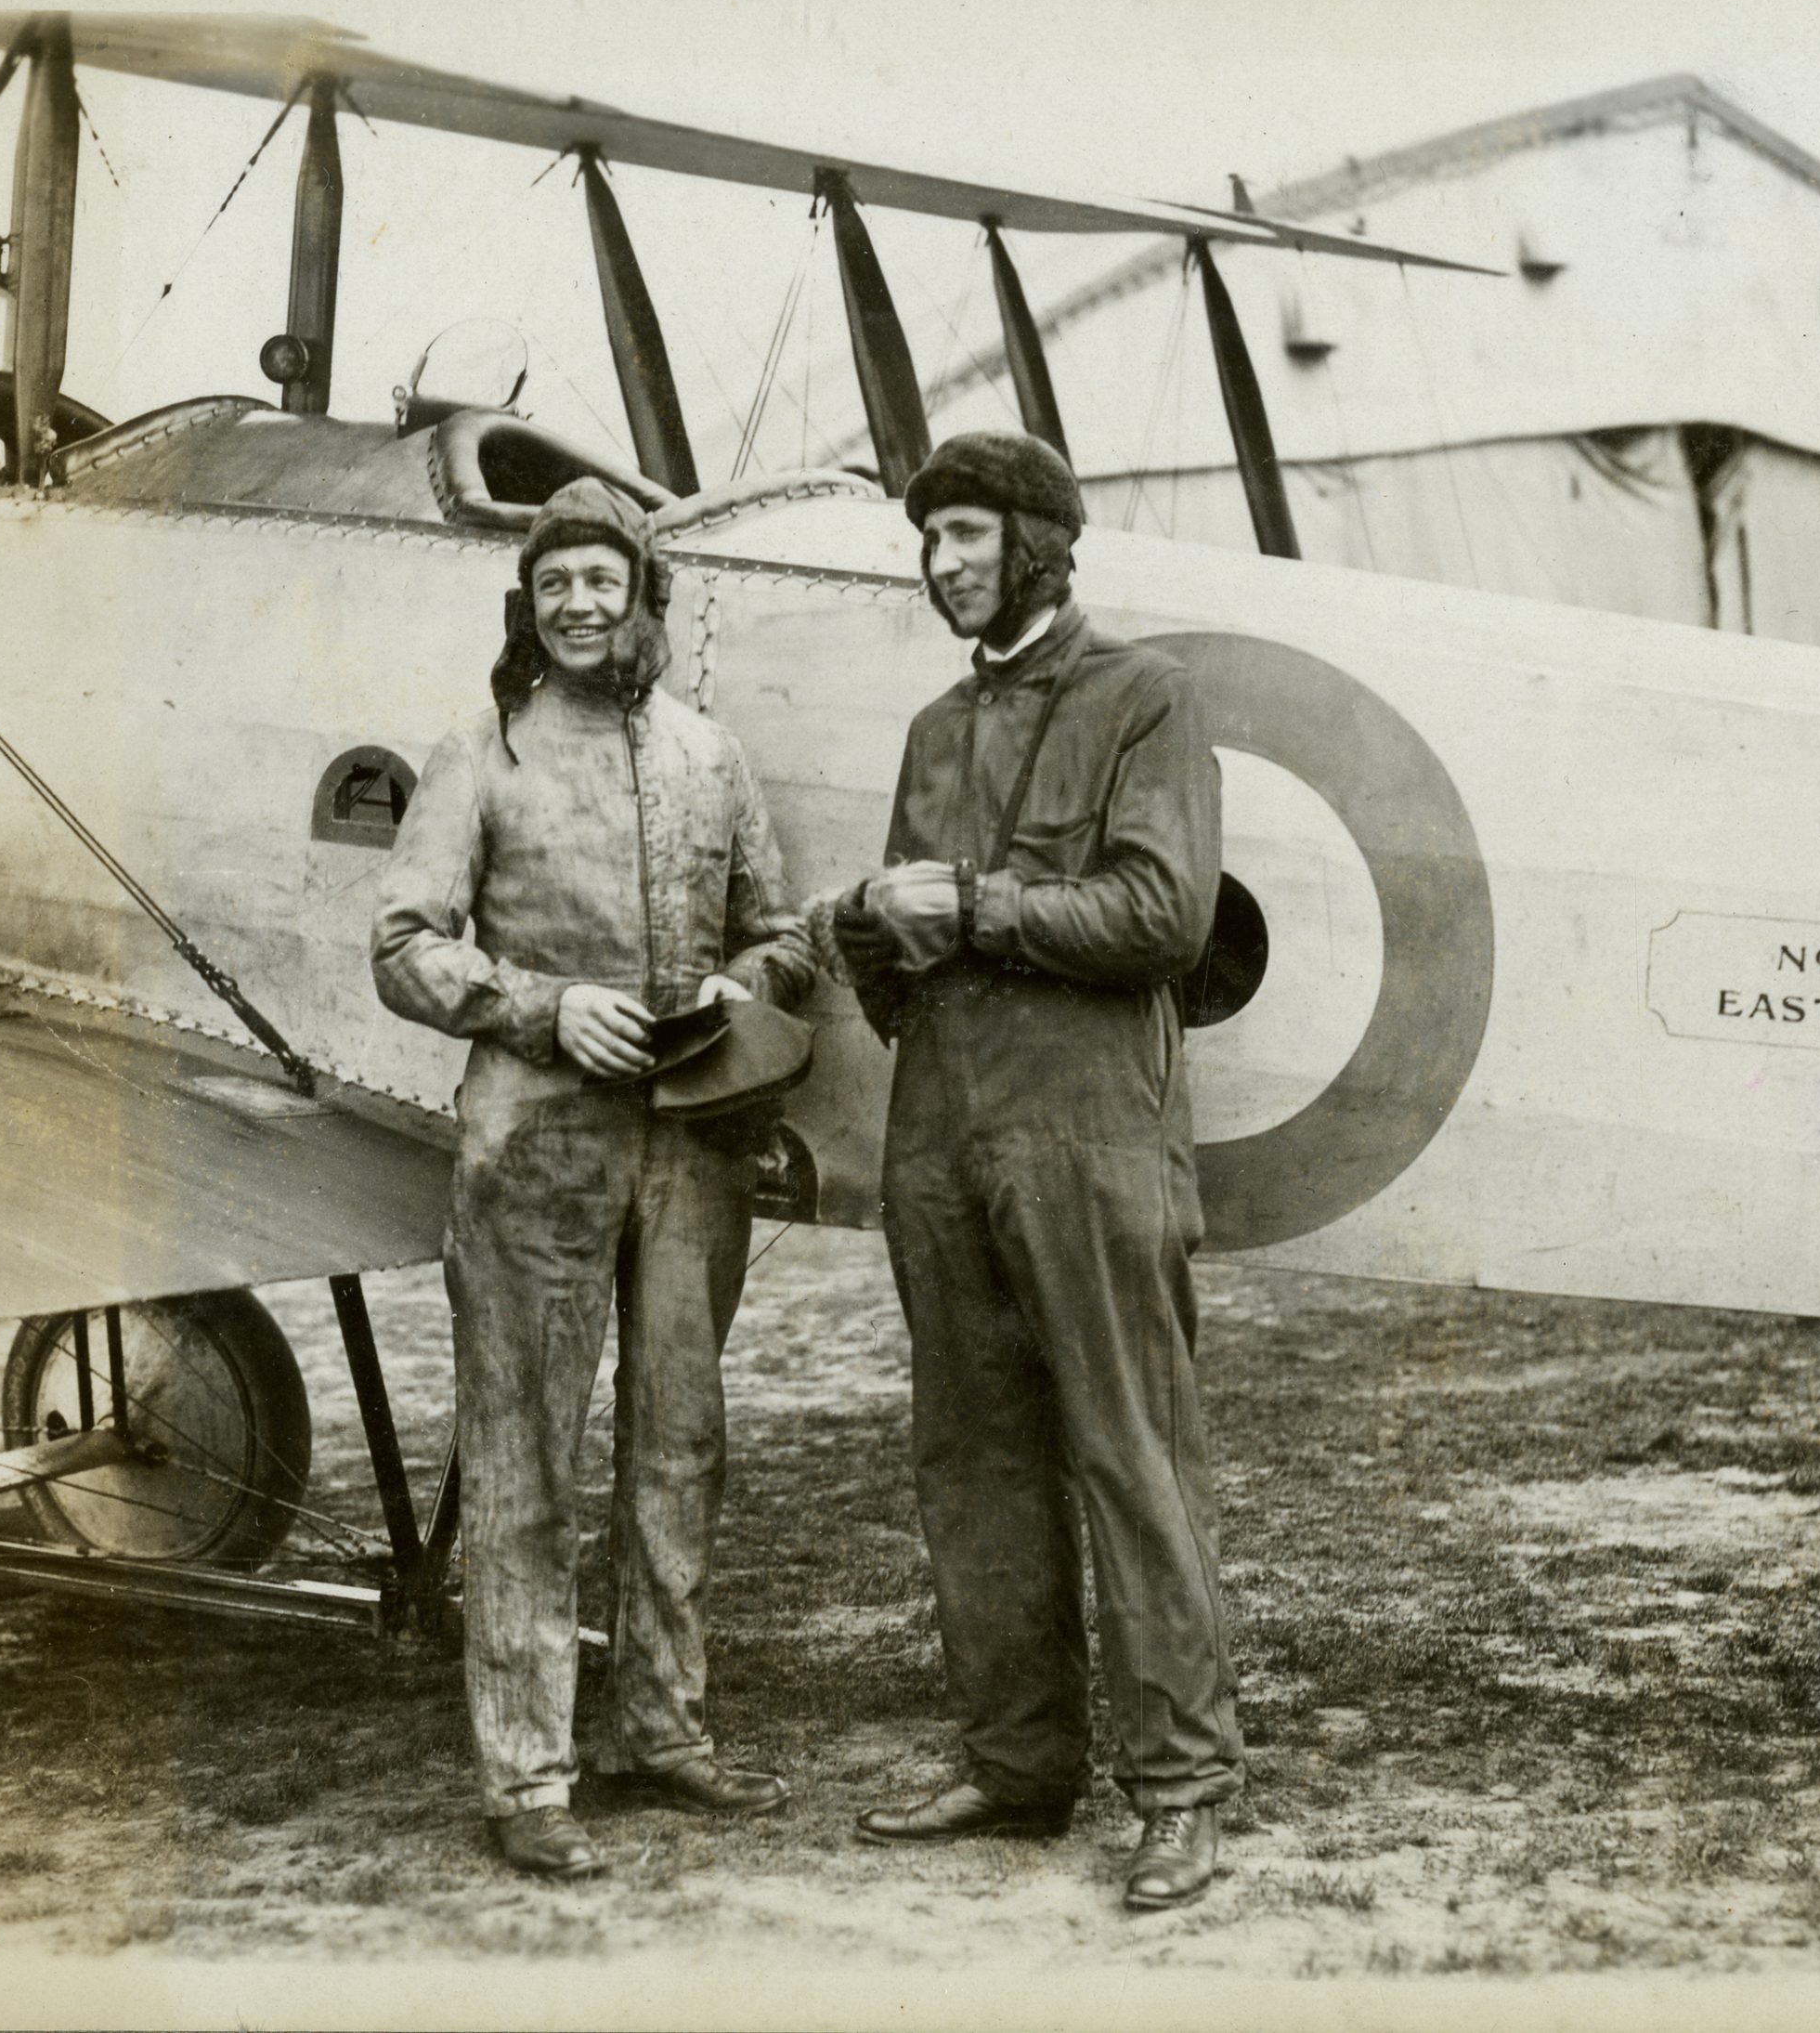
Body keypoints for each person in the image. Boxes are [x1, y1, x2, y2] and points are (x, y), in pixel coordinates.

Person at [372, 478, 815, 1882]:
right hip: (536, 1146)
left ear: (642, 598)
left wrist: (741, 985)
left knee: (679, 1442)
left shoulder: (709, 755)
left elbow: (784, 932)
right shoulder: (481, 756)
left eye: (601, 581)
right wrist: (541, 1007)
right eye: (554, 582)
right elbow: (403, 943)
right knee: (526, 1459)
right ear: (531, 603)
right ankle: (529, 1776)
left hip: (692, 1146)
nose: (579, 604)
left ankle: (664, 1733)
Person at [836, 431, 1244, 1911]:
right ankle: (1017, 1769)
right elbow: (905, 940)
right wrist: (873, 931)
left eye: (967, 535)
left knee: (1129, 1451)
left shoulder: (1148, 699)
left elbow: (1165, 915)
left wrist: (976, 909)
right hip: (940, 1130)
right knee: (971, 1458)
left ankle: (1184, 1789)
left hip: (1087, 1132)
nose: (943, 563)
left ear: (1038, 545)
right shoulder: (935, 732)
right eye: (928, 540)